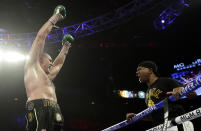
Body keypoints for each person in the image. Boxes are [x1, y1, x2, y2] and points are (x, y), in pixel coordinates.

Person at [24, 5, 74, 131]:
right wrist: (56, 16)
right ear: (40, 59)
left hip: (55, 110)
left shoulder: (48, 78)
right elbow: (40, 38)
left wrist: (66, 47)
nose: (52, 63)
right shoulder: (32, 66)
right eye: (50, 60)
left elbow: (58, 64)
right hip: (38, 107)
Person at [126, 60, 196, 131]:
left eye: (139, 69)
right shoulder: (147, 93)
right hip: (161, 127)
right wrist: (137, 117)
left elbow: (193, 94)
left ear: (150, 70)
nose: (137, 73)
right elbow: (154, 115)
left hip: (177, 123)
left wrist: (183, 90)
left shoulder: (166, 81)